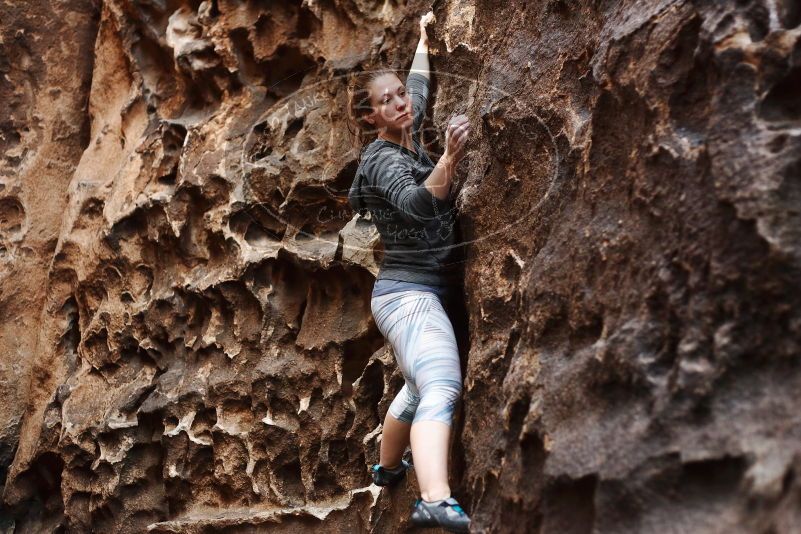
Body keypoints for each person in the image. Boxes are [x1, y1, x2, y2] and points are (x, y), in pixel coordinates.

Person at [345, 11, 472, 533]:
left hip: (412, 294)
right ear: (370, 118)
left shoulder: (408, 123)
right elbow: (418, 205)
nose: (401, 103)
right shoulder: (381, 160)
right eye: (387, 102)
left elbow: (418, 83)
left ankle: (388, 467)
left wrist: (424, 36)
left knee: (417, 388)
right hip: (408, 297)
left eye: (400, 95)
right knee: (441, 382)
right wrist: (448, 159)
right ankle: (435, 499)